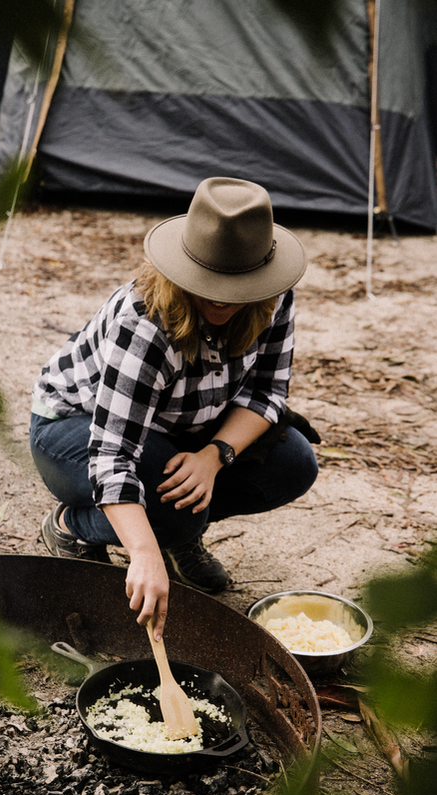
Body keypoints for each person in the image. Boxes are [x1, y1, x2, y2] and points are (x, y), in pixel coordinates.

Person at [30, 177, 318, 641]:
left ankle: (181, 531)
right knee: (170, 510)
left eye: (238, 284)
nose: (223, 299)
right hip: (73, 427)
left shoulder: (273, 297)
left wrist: (214, 457)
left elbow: (267, 394)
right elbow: (112, 453)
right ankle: (71, 524)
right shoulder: (145, 319)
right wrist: (143, 552)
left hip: (182, 430)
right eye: (211, 284)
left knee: (292, 464)